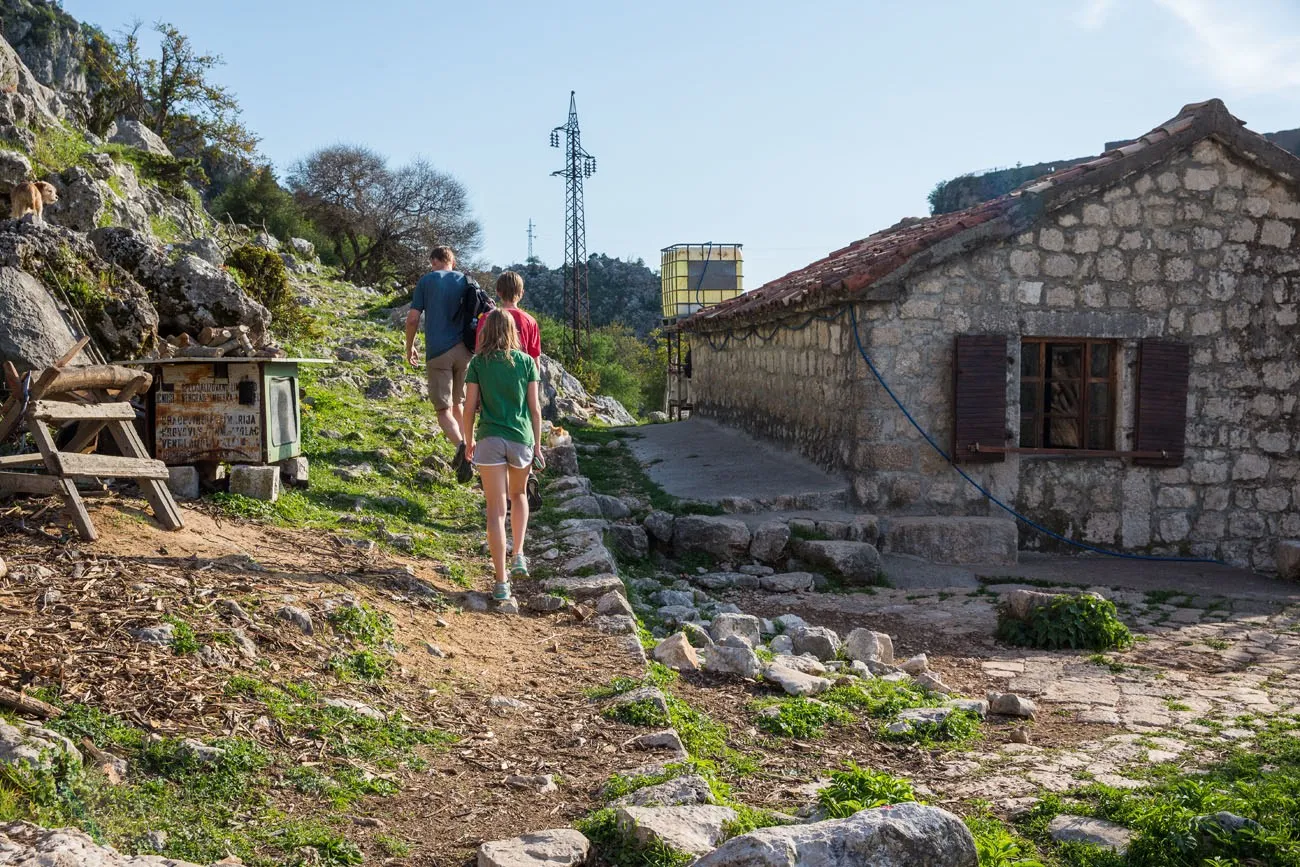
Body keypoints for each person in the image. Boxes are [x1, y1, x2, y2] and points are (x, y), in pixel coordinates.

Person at [464, 309, 545, 600]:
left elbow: (469, 407)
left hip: (489, 439)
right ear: (514, 331)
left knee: (495, 510)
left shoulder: (478, 364)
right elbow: (535, 409)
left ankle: (501, 583)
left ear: (486, 331)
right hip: (521, 438)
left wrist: (467, 440)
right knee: (519, 495)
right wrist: (537, 445)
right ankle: (519, 553)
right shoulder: (526, 363)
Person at [406, 246, 474, 482]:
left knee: (443, 410)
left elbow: (413, 318)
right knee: (460, 405)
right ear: (452, 262)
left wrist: (410, 346)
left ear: (434, 261)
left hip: (438, 352)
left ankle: (463, 449)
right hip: (465, 351)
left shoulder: (427, 281)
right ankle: (471, 448)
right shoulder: (465, 280)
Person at [477, 271, 540, 359]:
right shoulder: (530, 321)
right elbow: (535, 358)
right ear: (521, 293)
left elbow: (479, 351)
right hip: (520, 371)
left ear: (498, 292)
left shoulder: (486, 318)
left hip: (491, 371)